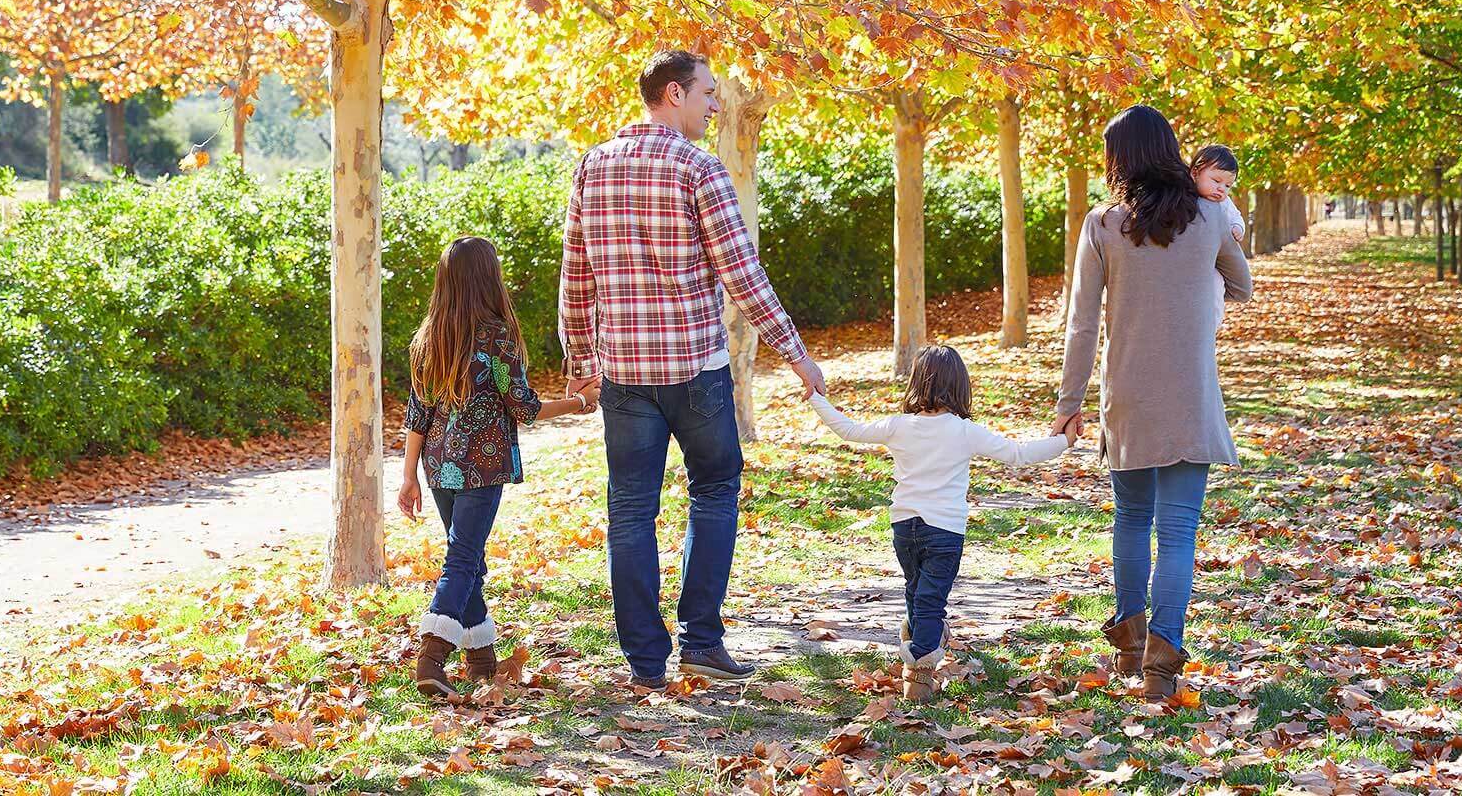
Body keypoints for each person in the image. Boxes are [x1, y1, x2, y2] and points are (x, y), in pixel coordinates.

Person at [559, 50, 827, 689]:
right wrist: (794, 352)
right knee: (714, 490)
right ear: (673, 94)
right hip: (695, 369)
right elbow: (742, 273)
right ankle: (701, 641)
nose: (715, 104)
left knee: (629, 509)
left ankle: (646, 661)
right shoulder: (699, 169)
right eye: (708, 93)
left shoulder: (593, 167)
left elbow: (576, 274)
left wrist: (581, 361)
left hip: (624, 373)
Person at [1052, 105, 1252, 702]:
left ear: (1121, 161)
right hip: (1192, 394)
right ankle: (1162, 670)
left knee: (1132, 521)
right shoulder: (1211, 216)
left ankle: (1130, 649)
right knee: (1180, 527)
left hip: (1128, 396)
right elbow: (1241, 287)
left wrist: (1069, 401)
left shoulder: (1102, 223)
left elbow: (1081, 324)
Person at [805, 345, 1074, 702]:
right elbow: (1018, 454)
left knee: (916, 593)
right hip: (945, 531)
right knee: (930, 601)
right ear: (961, 387)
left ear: (916, 383)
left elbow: (848, 430)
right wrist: (1064, 441)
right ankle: (919, 671)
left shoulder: (898, 426)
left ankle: (918, 644)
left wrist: (816, 399)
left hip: (905, 526)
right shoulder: (963, 431)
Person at [397, 236, 599, 699]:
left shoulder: (428, 337)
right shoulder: (496, 337)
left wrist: (409, 476)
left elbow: (417, 412)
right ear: (489, 278)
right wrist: (580, 402)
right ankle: (431, 657)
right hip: (481, 467)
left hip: (438, 465)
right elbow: (524, 407)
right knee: (463, 559)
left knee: (468, 559)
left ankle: (481, 660)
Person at [1190, 144, 1247, 323]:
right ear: (1195, 173)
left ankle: (1212, 323)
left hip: (1214, 261)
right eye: (1216, 181)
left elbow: (1236, 217)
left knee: (1216, 284)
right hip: (1191, 258)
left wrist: (1238, 228)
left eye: (1228, 185)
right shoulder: (1184, 196)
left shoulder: (1224, 204)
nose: (1221, 188)